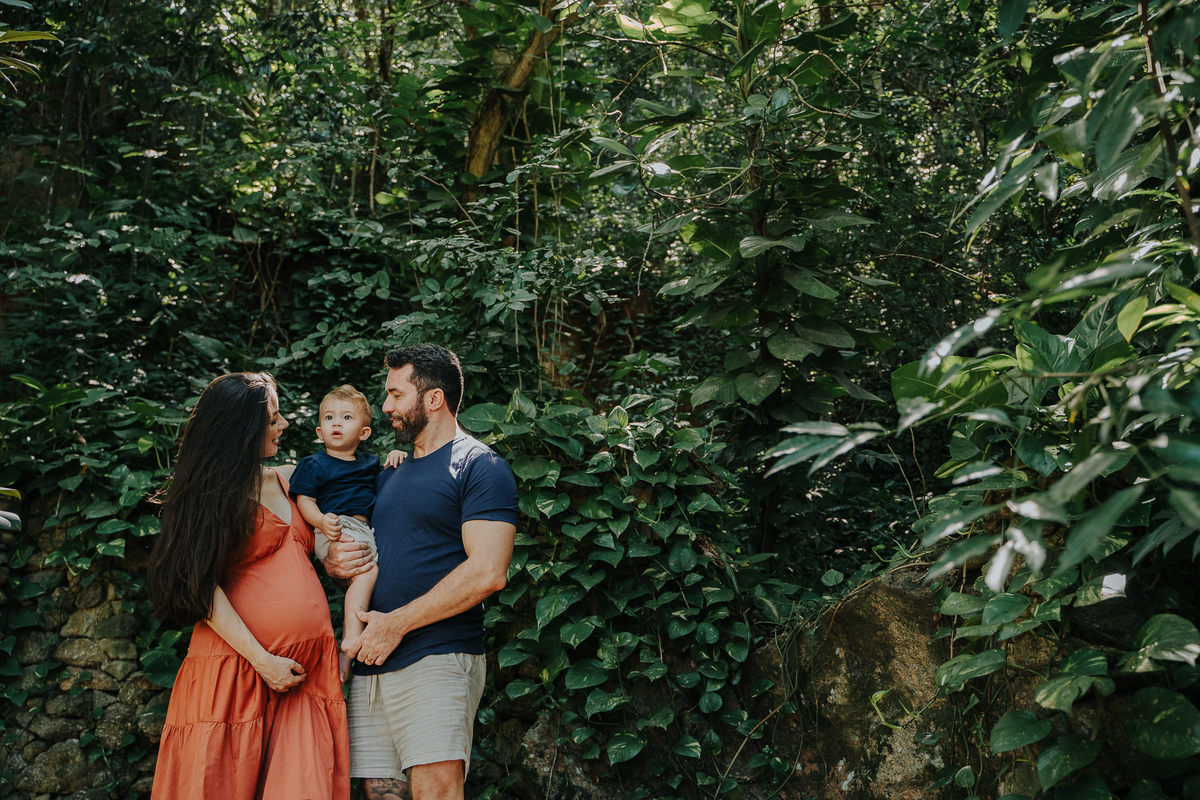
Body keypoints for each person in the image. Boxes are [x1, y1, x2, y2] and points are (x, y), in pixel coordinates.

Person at [325, 344, 518, 800]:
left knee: (436, 793)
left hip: (437, 656)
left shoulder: (480, 466)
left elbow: (489, 571)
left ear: (433, 399)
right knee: (382, 794)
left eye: (395, 394)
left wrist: (397, 623)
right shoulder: (387, 472)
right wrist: (335, 563)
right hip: (373, 661)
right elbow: (361, 550)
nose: (386, 406)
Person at [147, 372, 349, 800]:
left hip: (304, 678)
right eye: (273, 419)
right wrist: (263, 661)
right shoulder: (207, 495)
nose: (284, 425)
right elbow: (197, 585)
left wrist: (337, 557)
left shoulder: (293, 480)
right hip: (237, 672)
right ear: (241, 430)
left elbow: (348, 503)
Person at [289, 384, 404, 680]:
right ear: (319, 431)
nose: (336, 423)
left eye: (346, 418)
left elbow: (384, 485)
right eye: (329, 418)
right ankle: (349, 641)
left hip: (365, 530)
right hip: (335, 528)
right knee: (366, 575)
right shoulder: (313, 464)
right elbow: (305, 500)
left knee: (374, 582)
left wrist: (394, 456)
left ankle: (348, 657)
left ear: (364, 433)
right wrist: (320, 522)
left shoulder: (369, 464)